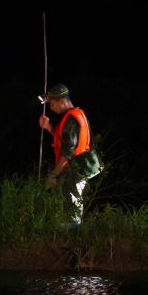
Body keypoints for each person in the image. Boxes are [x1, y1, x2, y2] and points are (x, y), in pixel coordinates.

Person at [39, 83, 103, 225]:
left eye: (52, 104)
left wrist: (53, 175)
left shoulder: (71, 120)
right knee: (70, 204)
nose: (51, 108)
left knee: (72, 206)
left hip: (77, 169)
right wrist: (49, 127)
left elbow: (68, 152)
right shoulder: (76, 115)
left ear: (62, 101)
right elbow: (64, 141)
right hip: (81, 167)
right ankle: (70, 234)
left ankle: (71, 237)